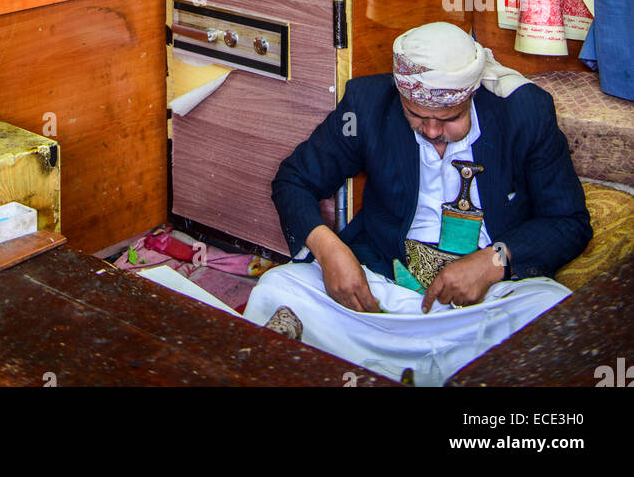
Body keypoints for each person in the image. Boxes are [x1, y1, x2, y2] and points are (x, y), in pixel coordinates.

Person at [243, 23, 592, 385]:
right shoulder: (367, 106)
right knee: (275, 291)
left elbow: (568, 221)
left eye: (449, 118)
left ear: (471, 96)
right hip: (381, 290)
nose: (431, 131)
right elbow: (294, 179)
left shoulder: (524, 113)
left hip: (487, 303)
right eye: (416, 116)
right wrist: (329, 250)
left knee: (558, 317)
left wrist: (494, 262)